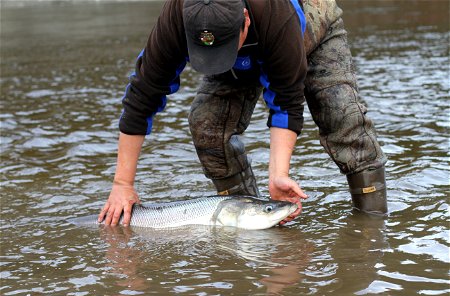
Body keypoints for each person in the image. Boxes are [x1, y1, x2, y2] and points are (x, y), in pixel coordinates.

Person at [98, 0, 388, 226]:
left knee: (341, 116)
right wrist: (122, 184)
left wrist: (278, 175)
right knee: (206, 126)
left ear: (244, 23)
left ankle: (372, 225)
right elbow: (141, 96)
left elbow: (286, 100)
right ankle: (246, 217)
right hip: (236, 54)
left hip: (309, 31)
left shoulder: (275, 15)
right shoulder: (176, 17)